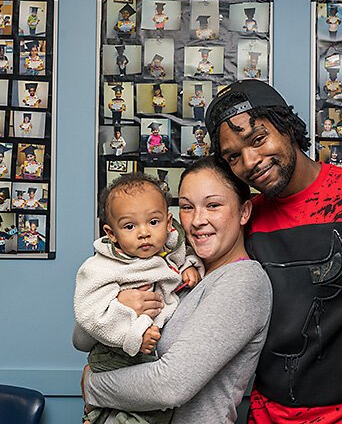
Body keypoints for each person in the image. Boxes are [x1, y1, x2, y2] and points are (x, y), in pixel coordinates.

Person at [202, 79, 342, 424]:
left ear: (286, 126)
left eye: (258, 139)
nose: (250, 161)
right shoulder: (245, 217)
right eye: (233, 156)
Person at [78, 157, 273, 424]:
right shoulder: (172, 270)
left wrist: (92, 385)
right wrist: (120, 304)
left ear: (244, 212)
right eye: (187, 207)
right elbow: (81, 339)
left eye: (213, 205)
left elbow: (169, 386)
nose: (197, 220)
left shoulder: (244, 281)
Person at [75, 172, 203, 424]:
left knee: (139, 410)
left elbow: (176, 262)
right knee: (144, 413)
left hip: (146, 354)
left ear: (168, 223)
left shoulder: (165, 252)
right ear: (112, 234)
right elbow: (89, 313)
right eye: (129, 226)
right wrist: (133, 334)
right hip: (116, 353)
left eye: (153, 222)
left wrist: (189, 265)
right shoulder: (102, 266)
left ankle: (95, 415)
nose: (144, 233)